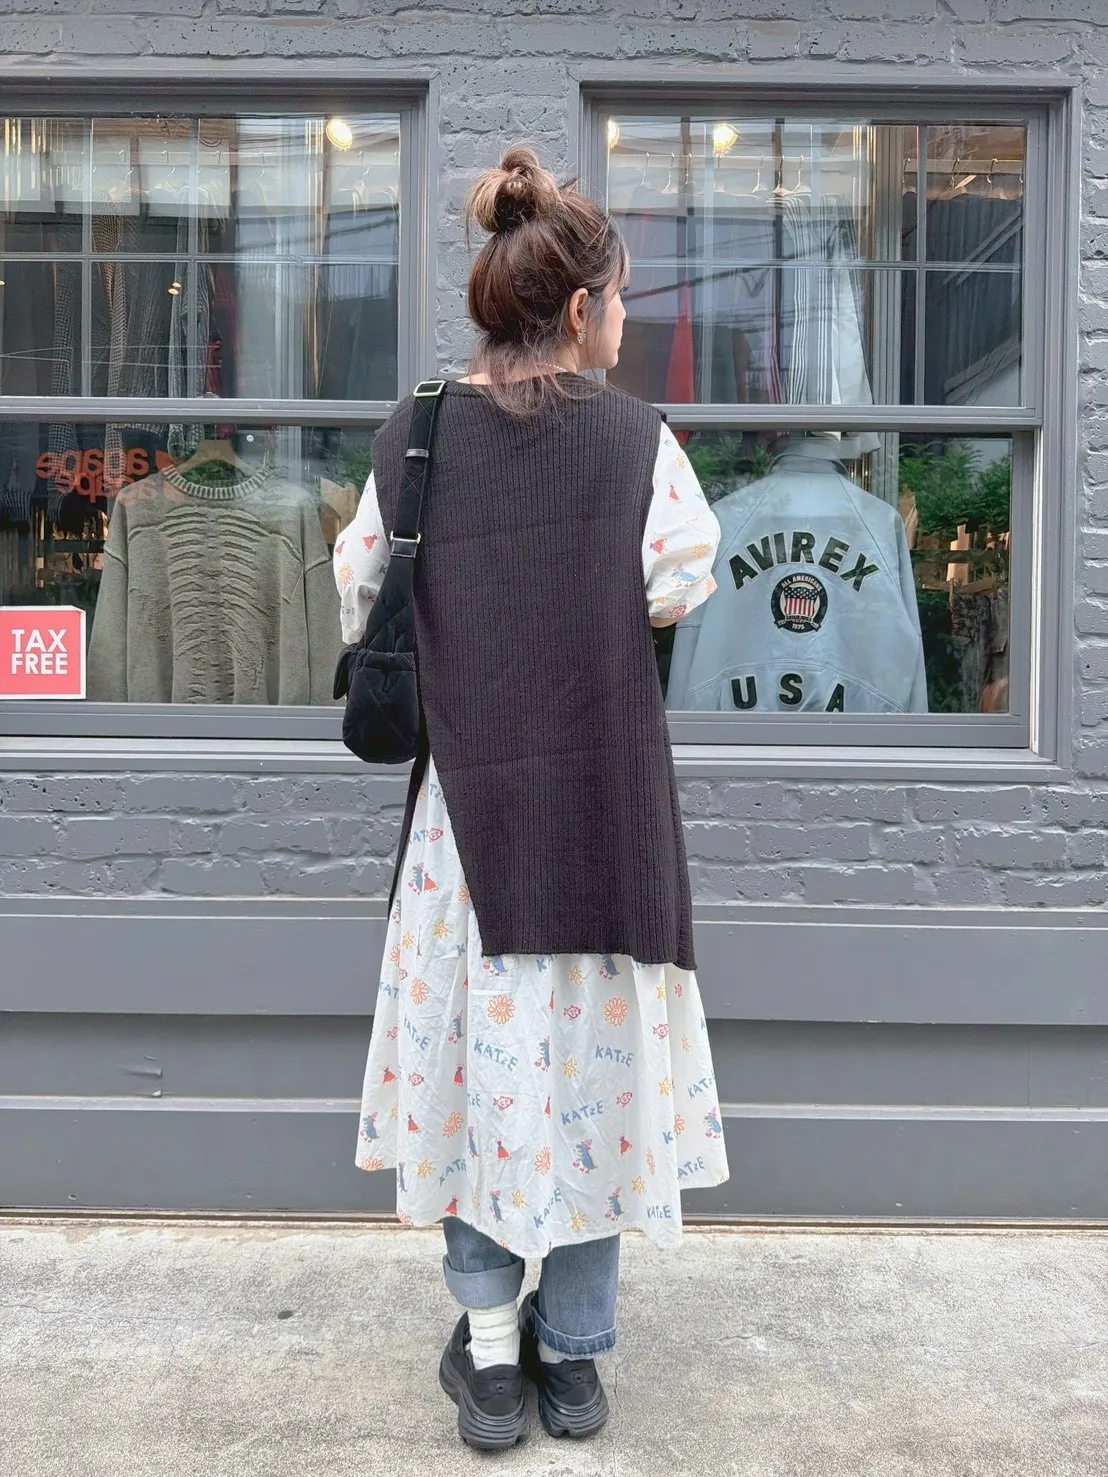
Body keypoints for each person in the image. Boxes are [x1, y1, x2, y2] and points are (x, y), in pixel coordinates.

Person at [334, 144, 728, 1452]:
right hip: (601, 820)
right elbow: (676, 585)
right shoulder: (641, 446)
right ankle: (575, 1360)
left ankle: (493, 1362)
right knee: (596, 1091)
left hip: (468, 838)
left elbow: (361, 591)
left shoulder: (416, 436)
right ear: (578, 308)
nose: (626, 321)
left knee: (477, 1087)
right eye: (622, 299)